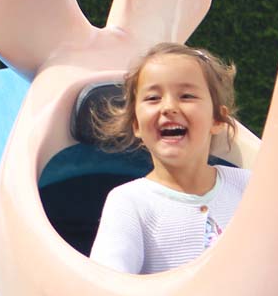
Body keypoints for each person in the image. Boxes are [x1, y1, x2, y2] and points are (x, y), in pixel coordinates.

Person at [89, 42, 250, 274]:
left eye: (186, 96)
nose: (169, 107)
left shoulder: (248, 187)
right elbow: (107, 286)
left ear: (216, 119)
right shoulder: (129, 203)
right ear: (136, 124)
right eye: (153, 98)